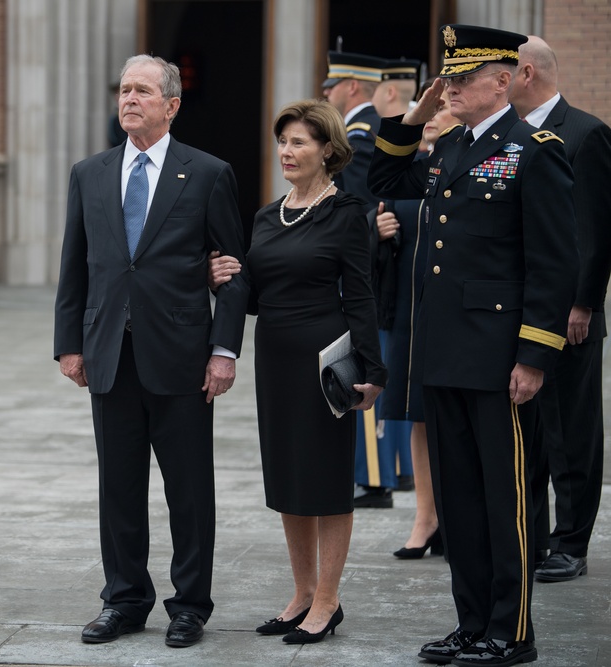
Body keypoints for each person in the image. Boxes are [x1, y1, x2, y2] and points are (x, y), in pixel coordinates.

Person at [369, 25, 577, 666]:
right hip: (444, 350)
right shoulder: (451, 145)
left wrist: (534, 355)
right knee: (459, 499)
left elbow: (552, 262)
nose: (451, 88)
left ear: (504, 81)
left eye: (462, 79)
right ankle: (470, 624)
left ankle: (510, 632)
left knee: (503, 499)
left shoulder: (533, 148)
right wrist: (417, 112)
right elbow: (384, 172)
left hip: (498, 357)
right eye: (448, 79)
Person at [54, 54, 249, 649]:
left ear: (172, 104)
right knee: (118, 488)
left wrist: (224, 351)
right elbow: (75, 267)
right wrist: (69, 345)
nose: (129, 99)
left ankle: (189, 604)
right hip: (110, 353)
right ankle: (125, 600)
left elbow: (234, 273)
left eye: (142, 90)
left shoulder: (209, 173)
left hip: (184, 358)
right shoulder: (89, 172)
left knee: (188, 490)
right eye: (123, 89)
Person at [211, 99, 385, 644]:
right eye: (282, 141)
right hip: (276, 359)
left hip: (323, 361)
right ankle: (302, 593)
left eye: (299, 142)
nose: (287, 151)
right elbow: (259, 293)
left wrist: (373, 370)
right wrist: (221, 278)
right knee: (287, 477)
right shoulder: (267, 215)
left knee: (327, 480)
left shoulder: (348, 212)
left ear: (327, 150)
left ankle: (328, 601)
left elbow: (360, 296)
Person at [509, 35, 611, 583]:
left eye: (507, 71)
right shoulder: (509, 137)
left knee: (570, 429)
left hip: (570, 313)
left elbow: (595, 232)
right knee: (528, 429)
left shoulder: (586, 132)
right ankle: (535, 536)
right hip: (521, 305)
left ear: (527, 73)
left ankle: (571, 542)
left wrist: (583, 303)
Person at [383, 86, 460, 560]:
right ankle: (424, 517)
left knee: (450, 416)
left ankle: (453, 520)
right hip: (412, 312)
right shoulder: (417, 167)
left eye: (442, 106)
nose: (430, 114)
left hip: (455, 315)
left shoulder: (470, 160)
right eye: (428, 106)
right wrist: (380, 233)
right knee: (417, 415)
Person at [323, 51, 398, 508]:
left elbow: (367, 205)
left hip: (360, 270)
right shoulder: (363, 130)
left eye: (331, 85)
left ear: (352, 86)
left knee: (362, 366)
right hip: (361, 265)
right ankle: (369, 473)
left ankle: (373, 477)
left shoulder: (360, 134)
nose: (325, 93)